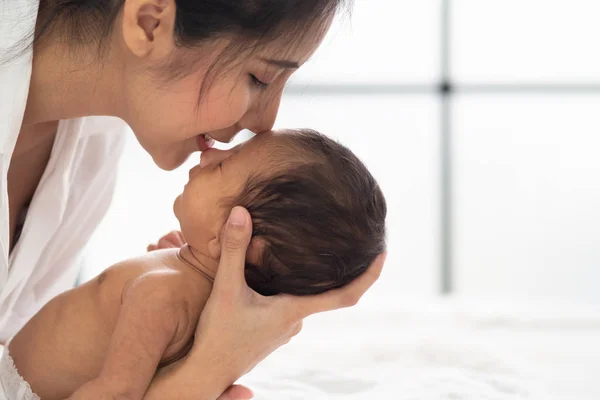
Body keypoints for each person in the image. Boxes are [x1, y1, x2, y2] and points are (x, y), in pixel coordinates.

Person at [0, 0, 387, 398]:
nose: (266, 123)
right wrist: (201, 376)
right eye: (259, 77)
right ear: (149, 23)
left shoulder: (92, 144)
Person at [6, 129, 387, 400]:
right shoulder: (190, 288)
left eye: (225, 165)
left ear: (233, 235)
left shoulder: (162, 295)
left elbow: (117, 392)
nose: (210, 154)